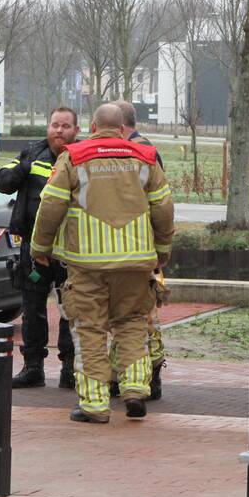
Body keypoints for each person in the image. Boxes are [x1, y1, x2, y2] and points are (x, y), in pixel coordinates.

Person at [30, 104, 174, 423]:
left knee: (89, 330)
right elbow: (163, 208)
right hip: (136, 263)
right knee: (132, 323)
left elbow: (51, 205)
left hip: (87, 264)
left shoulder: (73, 157)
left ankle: (94, 405)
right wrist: (162, 251)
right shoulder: (146, 157)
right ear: (122, 128)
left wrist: (40, 247)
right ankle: (135, 388)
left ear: (93, 127)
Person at [0, 107, 79, 390]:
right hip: (32, 247)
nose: (59, 131)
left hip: (69, 248)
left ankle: (70, 369)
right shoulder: (32, 154)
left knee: (71, 310)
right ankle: (33, 367)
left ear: (76, 130)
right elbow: (1, 183)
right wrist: (23, 168)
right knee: (32, 310)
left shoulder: (81, 157)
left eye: (65, 126)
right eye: (55, 125)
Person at [111, 100, 167, 400]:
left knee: (138, 318)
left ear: (119, 126)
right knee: (142, 317)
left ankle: (143, 377)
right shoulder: (146, 150)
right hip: (142, 247)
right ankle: (145, 374)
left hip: (132, 248)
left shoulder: (135, 153)